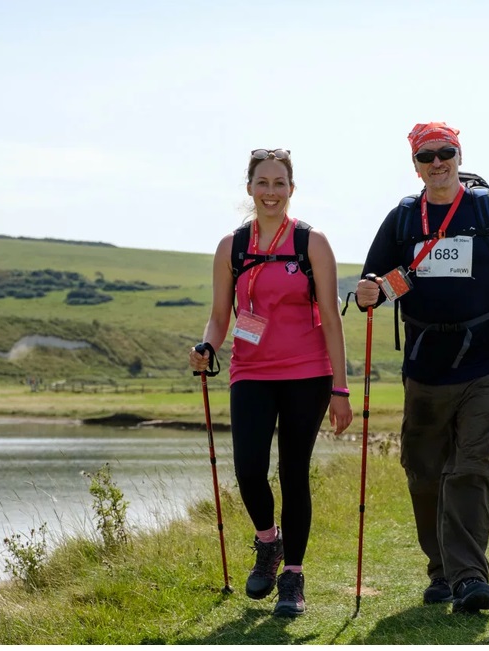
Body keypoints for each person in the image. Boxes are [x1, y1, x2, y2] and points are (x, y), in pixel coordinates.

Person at [353, 122, 489, 615]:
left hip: (483, 361)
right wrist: (368, 292)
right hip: (424, 365)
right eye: (426, 156)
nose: (437, 162)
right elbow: (373, 281)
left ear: (458, 154)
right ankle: (441, 572)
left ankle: (470, 577)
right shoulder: (403, 219)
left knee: (472, 464)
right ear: (415, 165)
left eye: (444, 152)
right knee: (425, 472)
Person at [188, 147, 353, 617]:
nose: (271, 191)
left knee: (293, 471)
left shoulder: (311, 243)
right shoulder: (232, 247)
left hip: (308, 372)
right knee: (248, 470)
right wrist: (206, 347)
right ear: (249, 189)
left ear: (291, 190)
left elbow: (333, 323)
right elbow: (220, 317)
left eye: (280, 183)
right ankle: (268, 542)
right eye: (263, 182)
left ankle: (293, 578)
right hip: (251, 372)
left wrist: (341, 388)